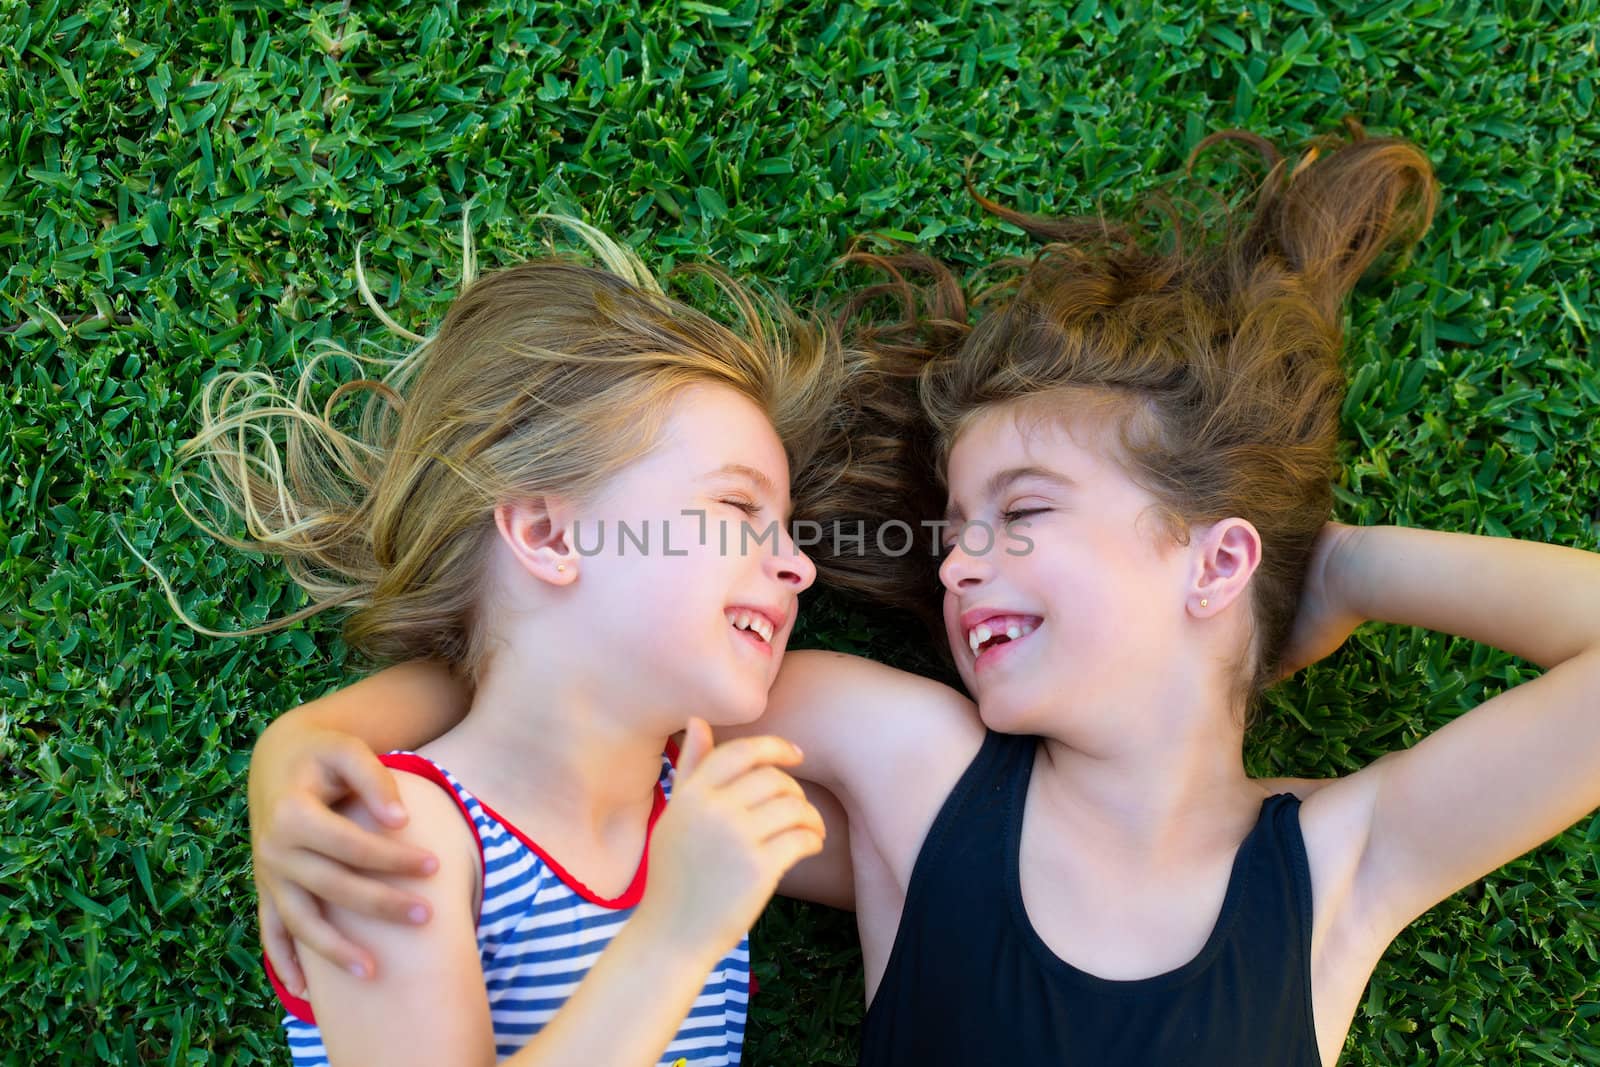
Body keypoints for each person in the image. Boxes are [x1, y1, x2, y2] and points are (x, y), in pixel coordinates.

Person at [244, 131, 1600, 1065]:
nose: (953, 562)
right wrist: (308, 747)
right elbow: (562, 673)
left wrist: (1332, 563)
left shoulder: (1338, 864)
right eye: (953, 527)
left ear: (1217, 558)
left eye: (1019, 516)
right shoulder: (907, 770)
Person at [173, 219, 851, 1066]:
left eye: (786, 530)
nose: (798, 568)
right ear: (549, 534)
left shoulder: (697, 810)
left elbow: (948, 859)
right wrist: (677, 932)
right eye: (738, 511)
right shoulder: (394, 838)